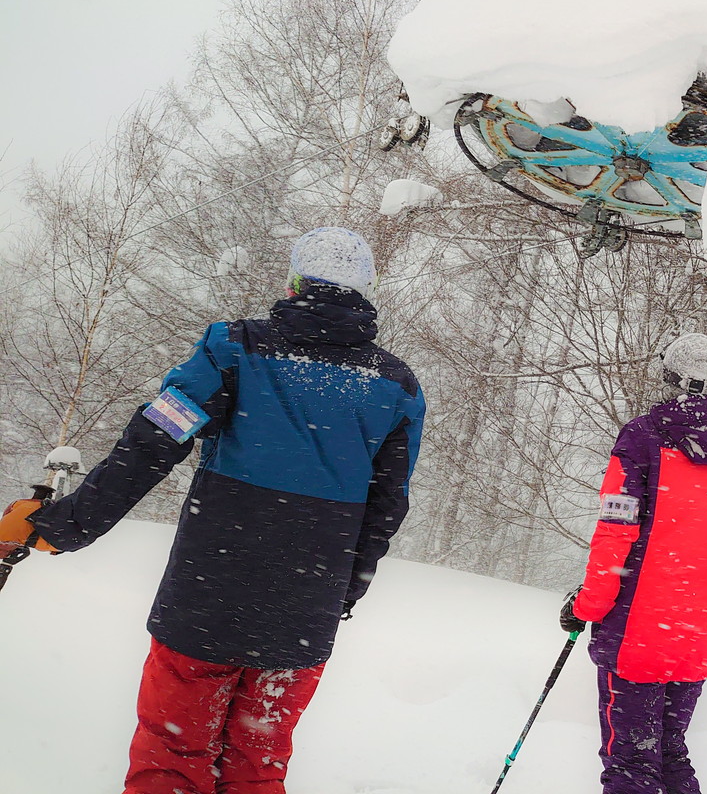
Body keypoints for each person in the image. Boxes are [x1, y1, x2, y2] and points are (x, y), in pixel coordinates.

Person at [0, 227, 425, 794]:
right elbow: (385, 505)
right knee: (259, 761)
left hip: (208, 592)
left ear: (296, 283)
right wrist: (343, 589)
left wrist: (60, 525)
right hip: (305, 608)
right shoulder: (396, 385)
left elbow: (155, 441)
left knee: (173, 752)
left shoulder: (235, 349)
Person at [561, 332, 707, 794]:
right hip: (697, 634)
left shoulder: (641, 438)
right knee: (671, 753)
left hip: (637, 635)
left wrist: (588, 605)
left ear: (667, 377)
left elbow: (617, 528)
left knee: (631, 765)